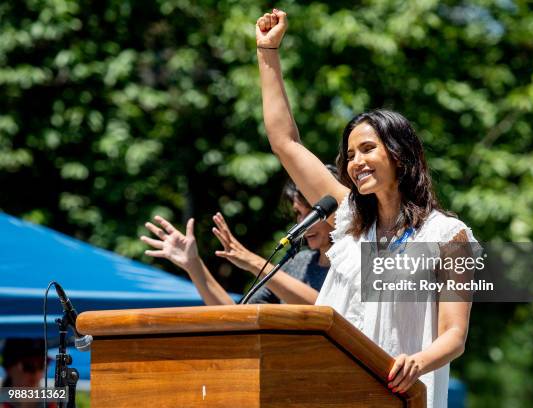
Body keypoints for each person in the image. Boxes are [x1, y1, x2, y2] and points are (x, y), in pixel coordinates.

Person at [255, 10, 477, 408]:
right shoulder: (350, 220)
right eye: (350, 154)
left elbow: (453, 335)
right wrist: (267, 52)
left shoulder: (447, 236)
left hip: (400, 397)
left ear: (400, 155)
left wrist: (416, 361)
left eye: (368, 149)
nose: (355, 162)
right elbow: (284, 141)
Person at [141, 173, 336, 305]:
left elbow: (328, 312)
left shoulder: (362, 255)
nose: (302, 223)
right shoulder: (298, 263)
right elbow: (236, 315)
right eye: (298, 213)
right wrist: (193, 264)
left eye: (311, 212)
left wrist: (253, 262)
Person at [1, 338, 57, 408]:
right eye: (28, 366)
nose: (35, 372)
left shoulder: (53, 404)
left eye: (41, 365)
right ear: (9, 368)